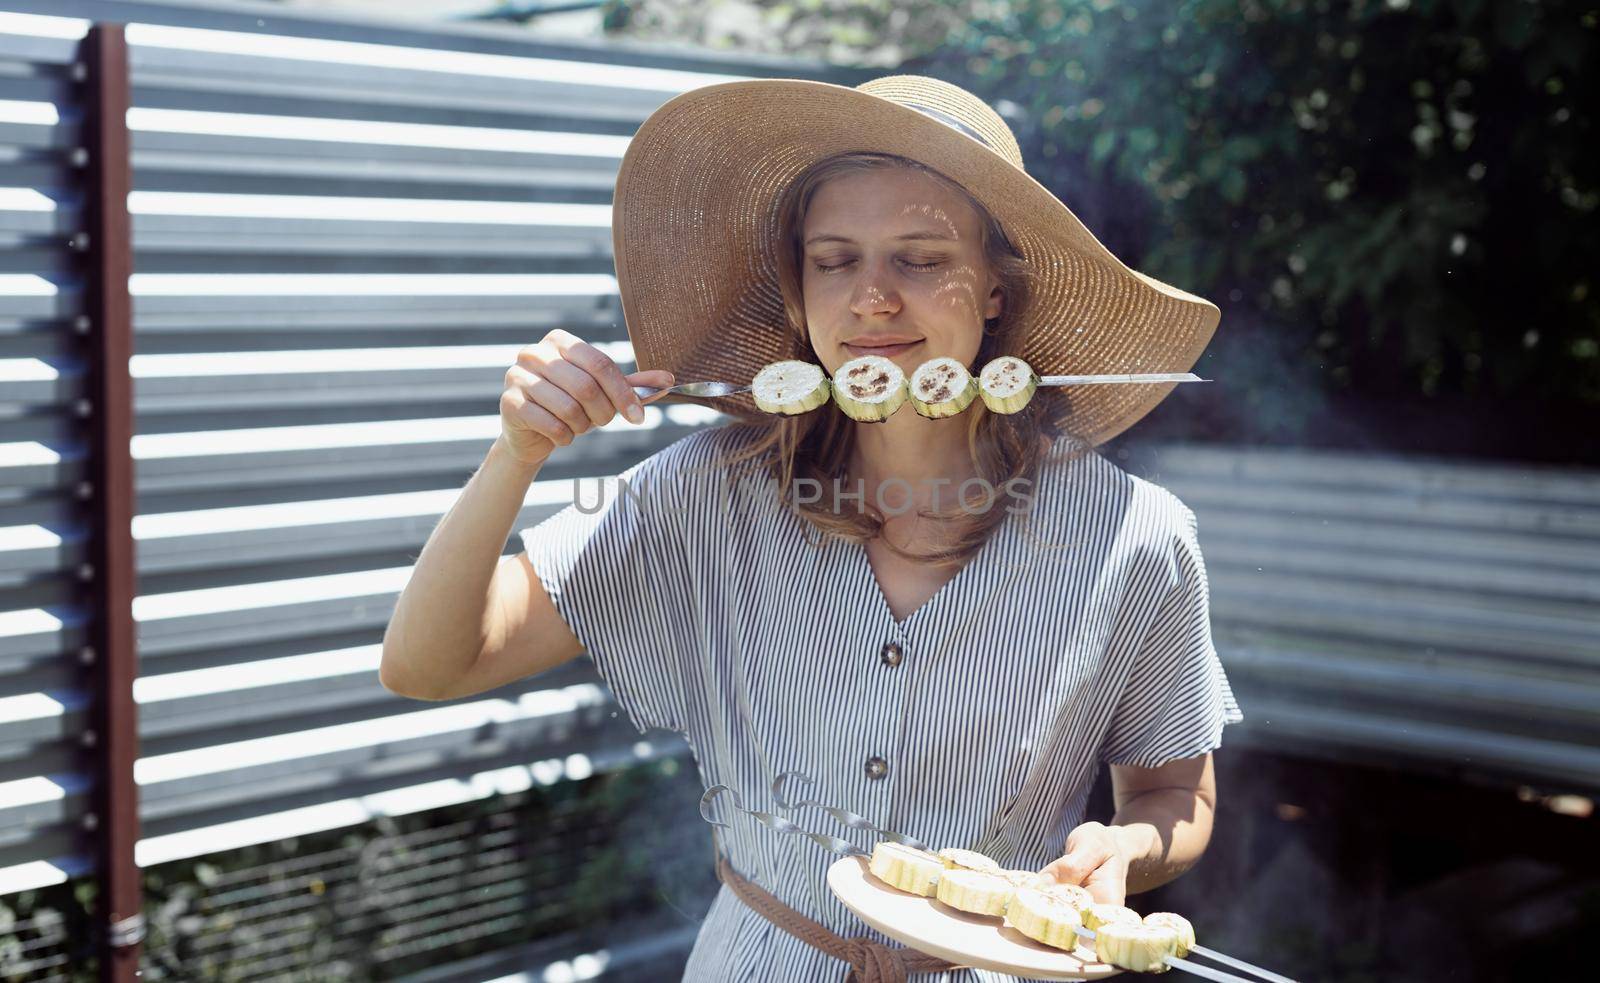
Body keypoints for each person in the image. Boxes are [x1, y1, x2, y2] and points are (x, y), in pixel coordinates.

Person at [381, 75, 1242, 982]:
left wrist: (1125, 846)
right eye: (835, 260)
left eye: (918, 257)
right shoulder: (706, 493)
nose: (870, 298)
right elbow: (431, 662)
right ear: (800, 289)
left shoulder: (1136, 535)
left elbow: (1172, 792)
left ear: (994, 290)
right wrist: (515, 453)